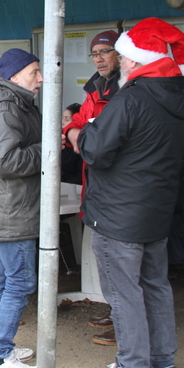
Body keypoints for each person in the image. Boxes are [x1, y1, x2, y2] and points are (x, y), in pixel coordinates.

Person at [79, 18, 184, 368]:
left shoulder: (131, 98)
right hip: (158, 210)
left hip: (118, 213)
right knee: (155, 286)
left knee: (124, 292)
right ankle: (162, 361)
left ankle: (130, 367)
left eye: (122, 56)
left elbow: (96, 151)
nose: (120, 62)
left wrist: (82, 131)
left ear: (134, 60)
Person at [0, 48, 42, 368]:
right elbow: (8, 161)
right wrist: (46, 151)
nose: (41, 78)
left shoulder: (15, 103)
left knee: (3, 279)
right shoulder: (6, 109)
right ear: (15, 76)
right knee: (19, 281)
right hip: (12, 210)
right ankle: (1, 358)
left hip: (8, 208)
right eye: (34, 72)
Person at [62, 30, 121, 342]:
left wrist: (82, 136)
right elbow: (79, 121)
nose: (99, 59)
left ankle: (127, 326)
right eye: (94, 53)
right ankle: (116, 311)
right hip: (96, 183)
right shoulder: (95, 88)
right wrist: (74, 132)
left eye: (105, 52)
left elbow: (108, 139)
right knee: (107, 256)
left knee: (122, 259)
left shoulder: (128, 90)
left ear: (120, 55)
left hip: (118, 186)